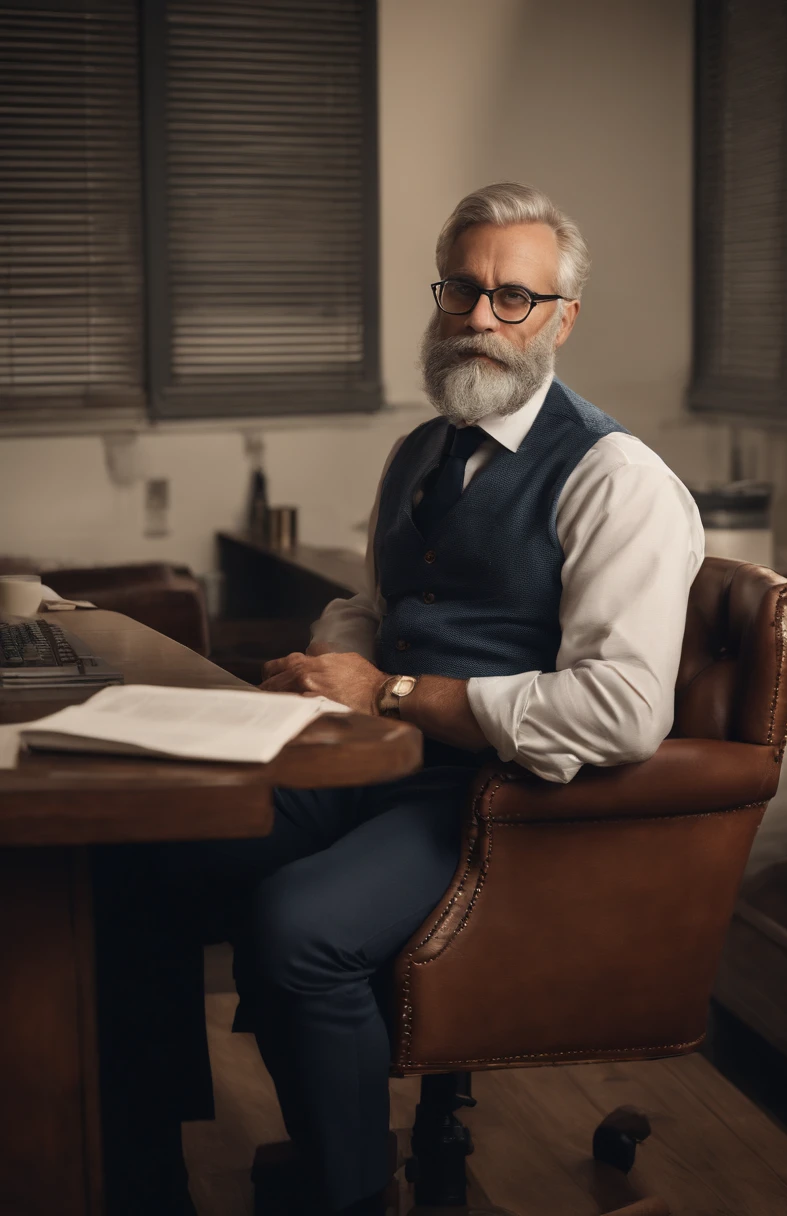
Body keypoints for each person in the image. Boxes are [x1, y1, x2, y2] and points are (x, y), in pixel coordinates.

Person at [98, 182, 704, 1216]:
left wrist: (390, 690)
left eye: (513, 297)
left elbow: (620, 711)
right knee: (136, 855)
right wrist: (325, 668)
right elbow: (371, 602)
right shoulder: (420, 451)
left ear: (561, 318)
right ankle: (137, 1174)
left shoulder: (618, 479)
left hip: (491, 795)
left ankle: (352, 1193)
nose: (478, 318)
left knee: (298, 924)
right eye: (460, 289)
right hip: (369, 764)